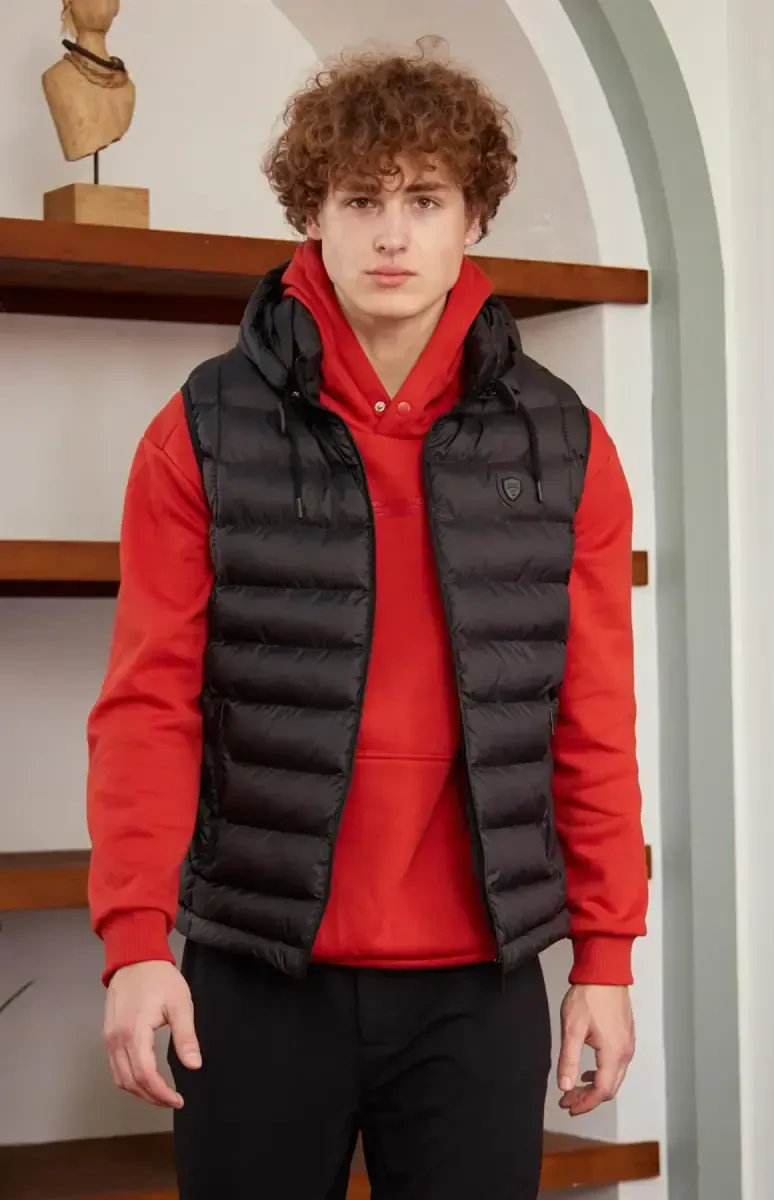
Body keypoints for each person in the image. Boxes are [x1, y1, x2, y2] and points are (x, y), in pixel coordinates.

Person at [86, 46, 648, 1200]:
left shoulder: (565, 447)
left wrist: (604, 956)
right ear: (312, 215)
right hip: (254, 972)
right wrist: (135, 941)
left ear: (473, 219)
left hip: (478, 985)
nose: (391, 236)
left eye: (424, 200)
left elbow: (590, 718)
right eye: (360, 200)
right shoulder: (200, 432)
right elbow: (148, 707)